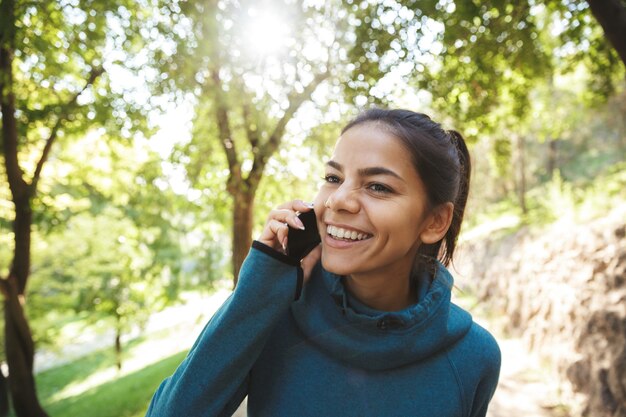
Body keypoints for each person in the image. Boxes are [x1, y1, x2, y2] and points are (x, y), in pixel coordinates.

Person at [145, 108, 501, 417]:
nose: (338, 200)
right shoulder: (273, 314)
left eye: (377, 186)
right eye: (333, 178)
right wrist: (261, 282)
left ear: (435, 222)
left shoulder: (473, 357)